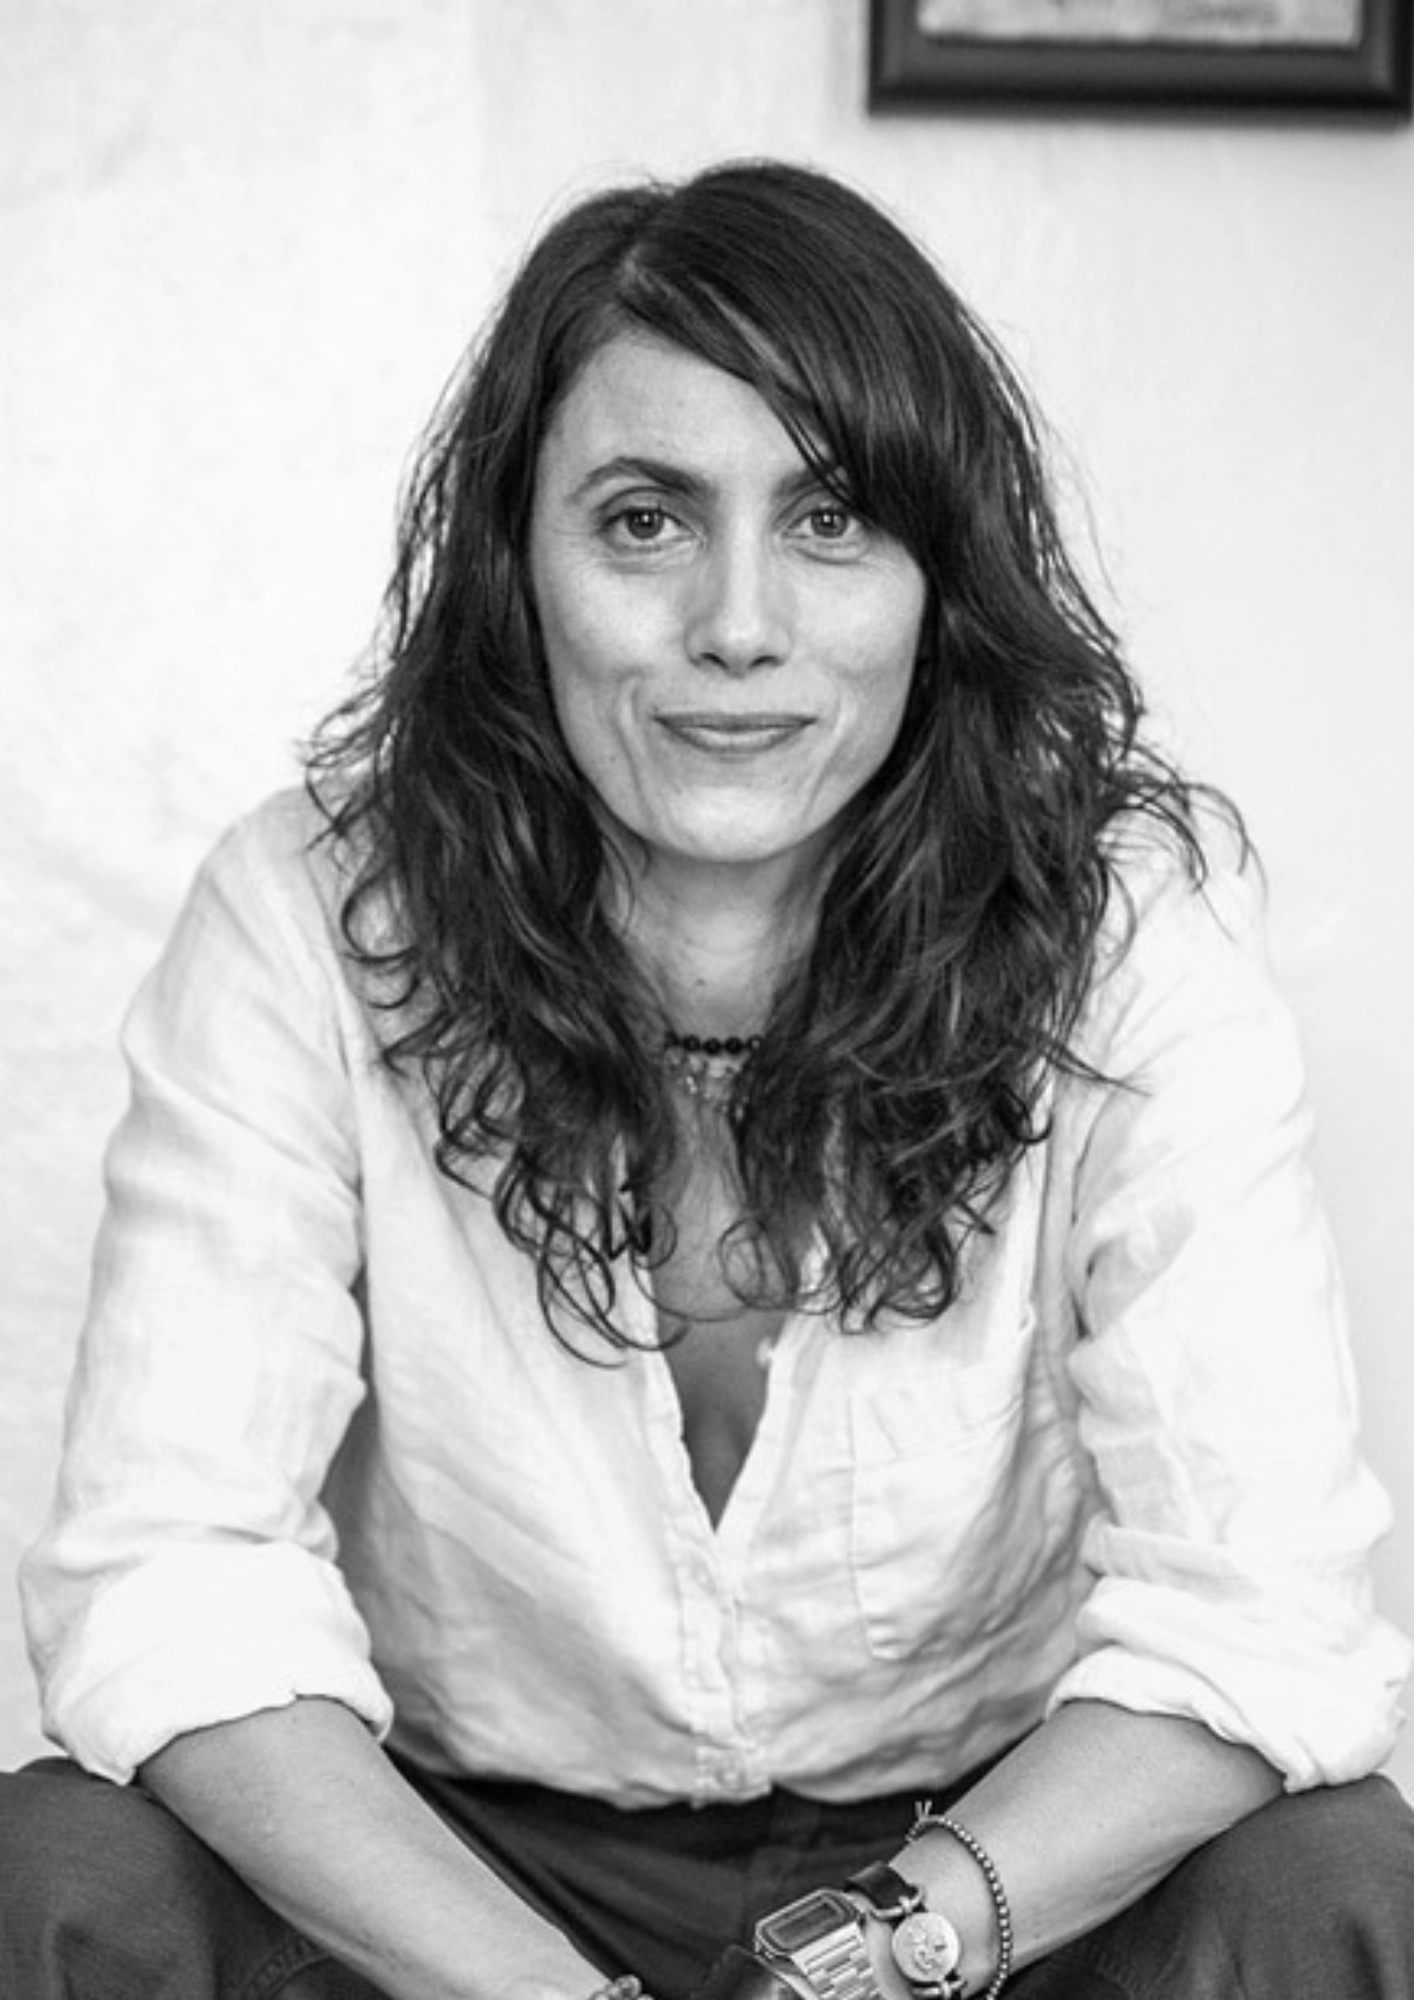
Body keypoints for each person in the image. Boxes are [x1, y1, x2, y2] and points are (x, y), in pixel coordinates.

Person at [1, 158, 1411, 2000]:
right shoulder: (302, 912)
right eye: (647, 519)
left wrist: (871, 1954)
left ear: (936, 581)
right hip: (458, 1867)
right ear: (521, 567)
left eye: (829, 519)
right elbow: (165, 1576)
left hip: (990, 1863)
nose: (737, 624)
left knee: (1339, 1879)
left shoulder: (1125, 937)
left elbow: (1266, 1613)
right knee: (61, 1864)